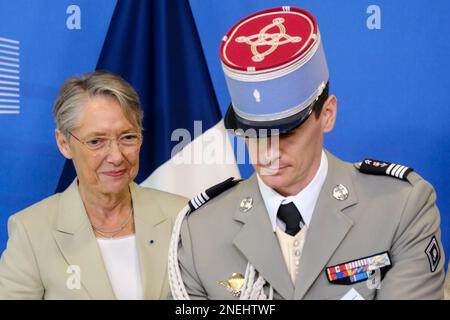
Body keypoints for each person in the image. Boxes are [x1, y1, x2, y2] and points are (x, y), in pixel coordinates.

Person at [168, 7, 445, 300]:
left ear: (327, 114)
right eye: (252, 133)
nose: (268, 150)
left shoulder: (399, 207)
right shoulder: (199, 231)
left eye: (286, 132)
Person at [0, 71, 187, 299]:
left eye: (127, 137)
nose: (116, 156)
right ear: (64, 143)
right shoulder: (32, 231)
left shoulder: (181, 217)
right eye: (96, 141)